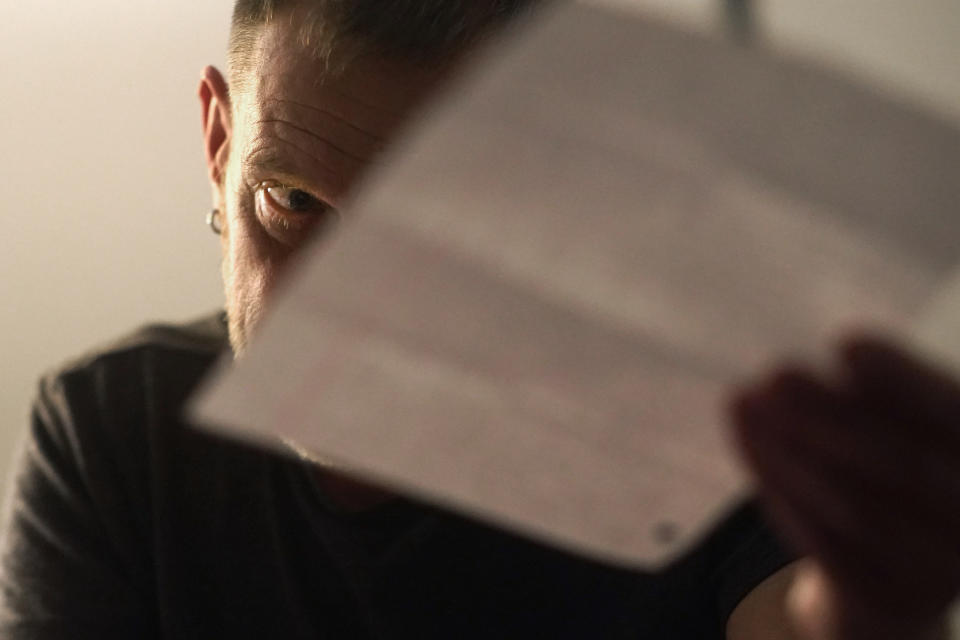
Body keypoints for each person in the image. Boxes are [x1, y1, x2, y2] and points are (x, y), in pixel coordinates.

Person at [1, 1, 957, 638]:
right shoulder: (112, 433)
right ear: (218, 141)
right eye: (290, 201)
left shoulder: (701, 426)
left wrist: (868, 602)